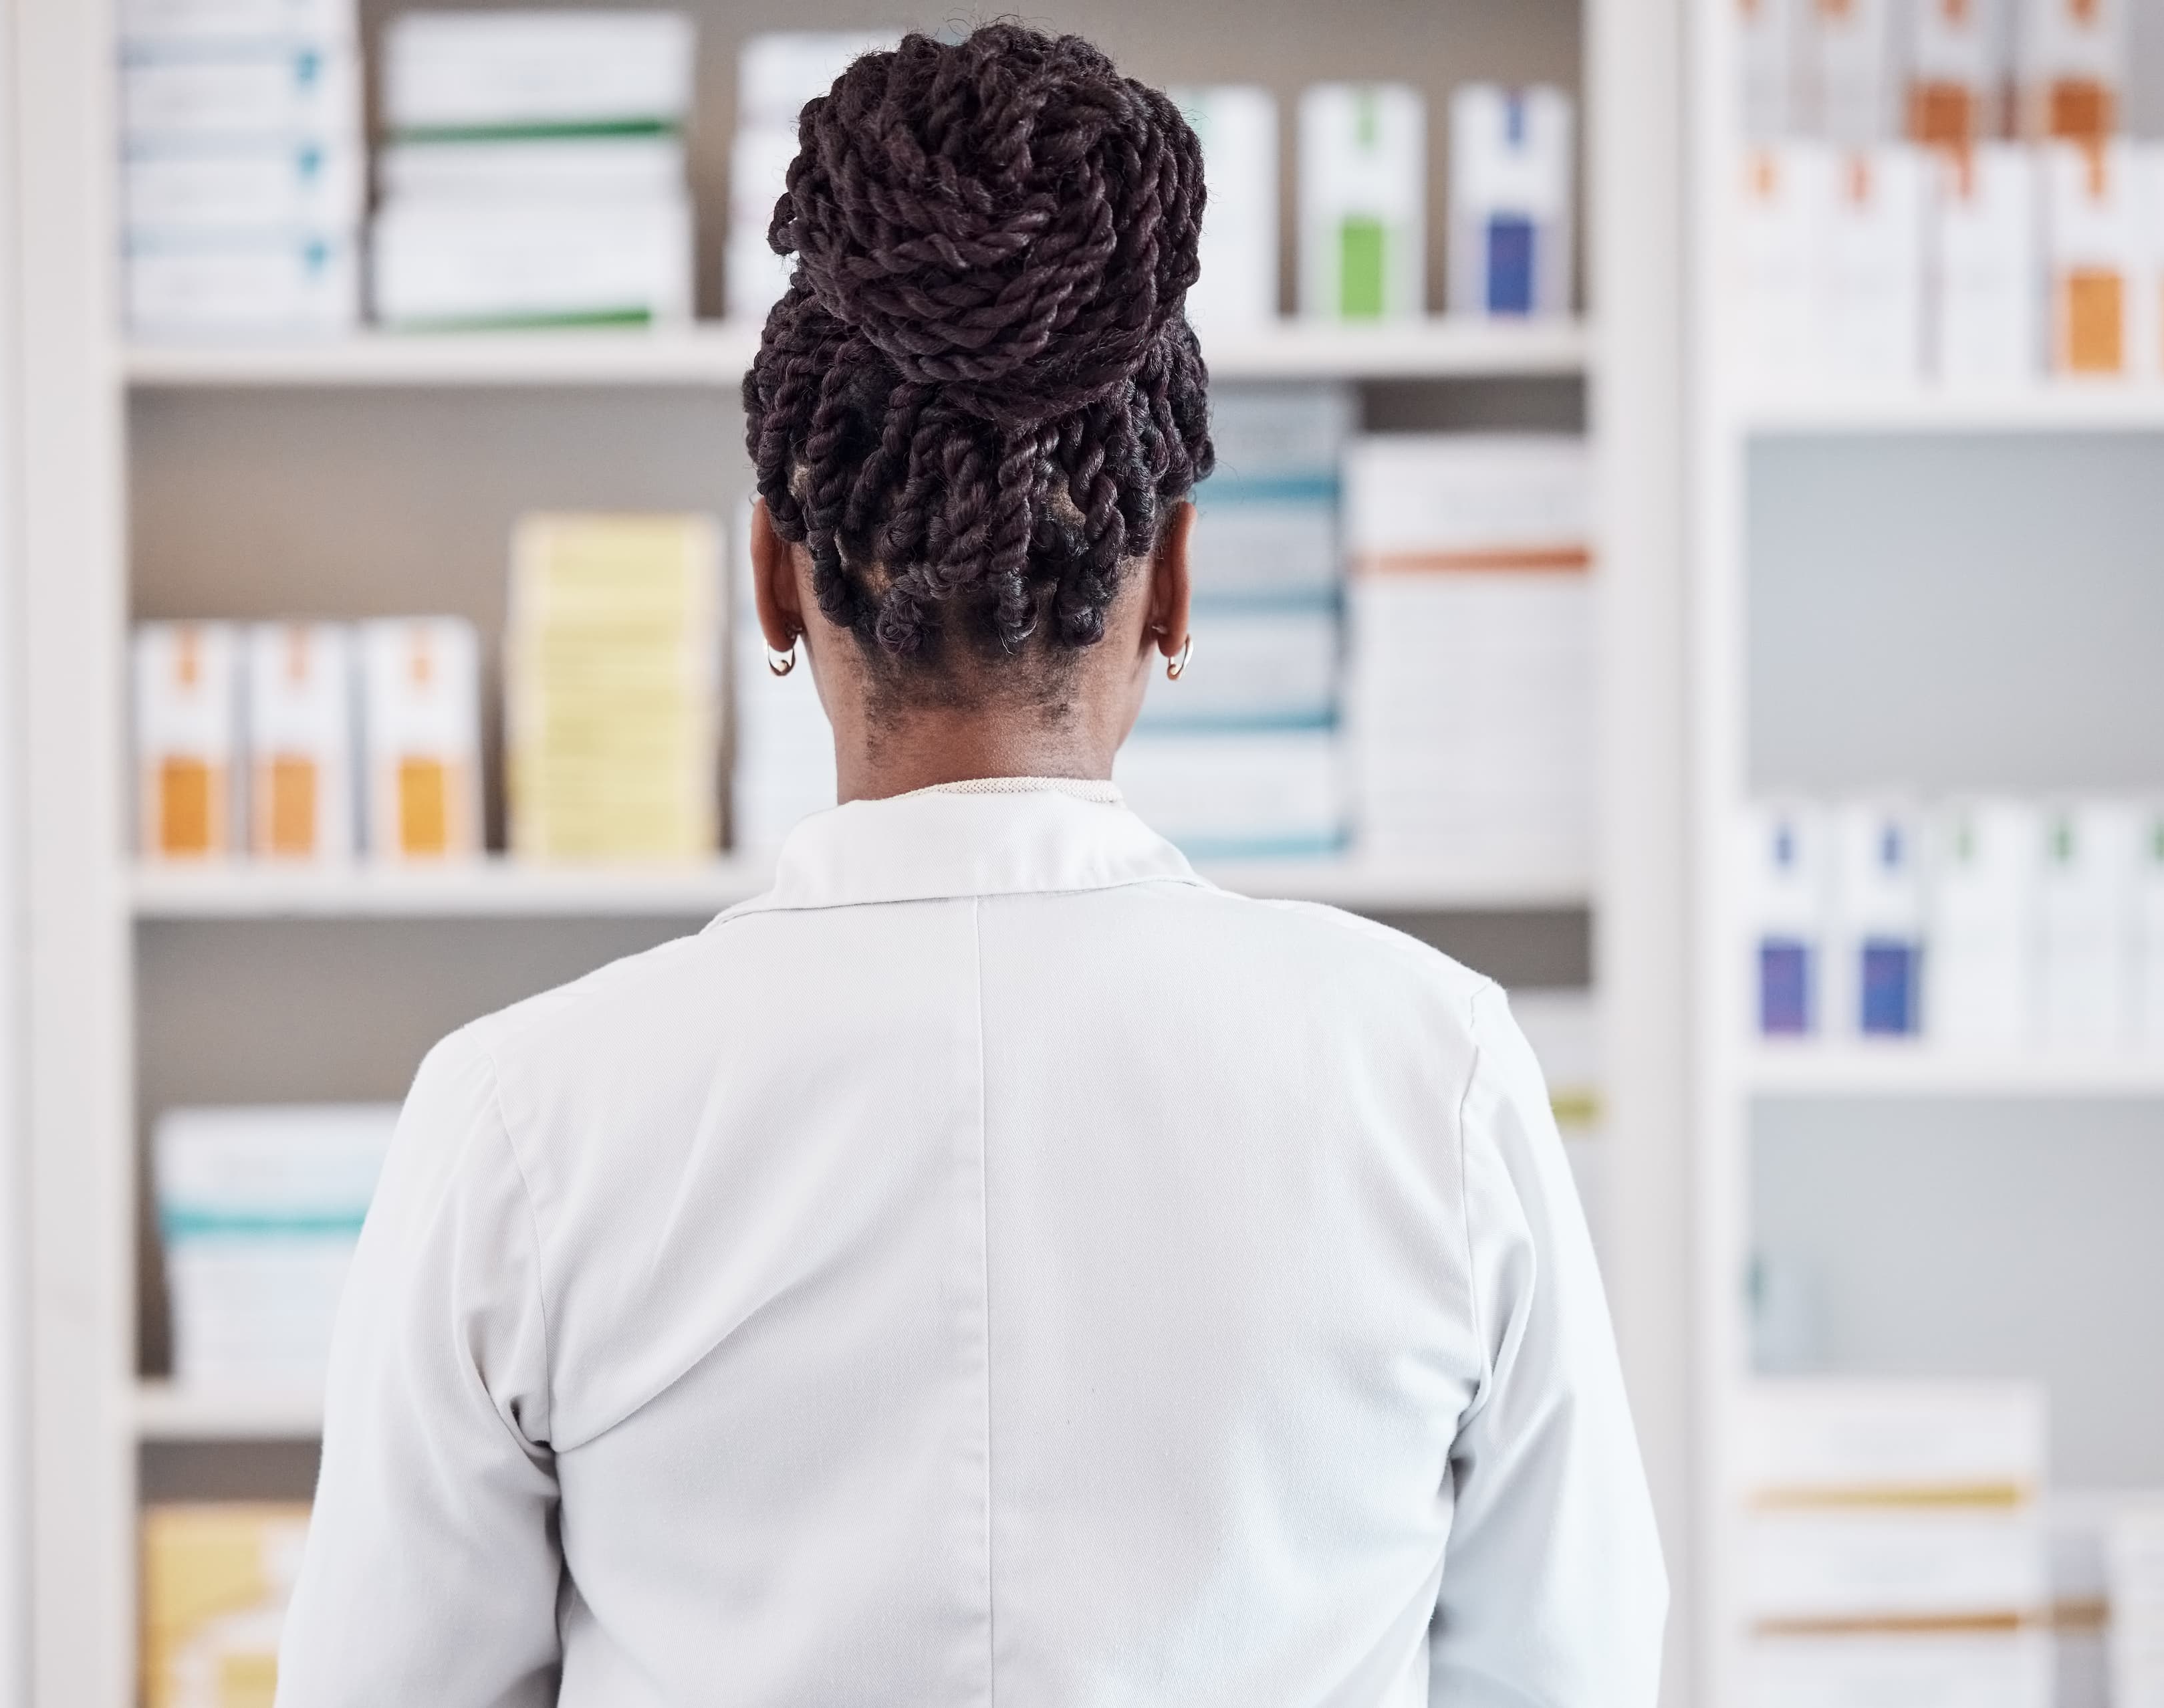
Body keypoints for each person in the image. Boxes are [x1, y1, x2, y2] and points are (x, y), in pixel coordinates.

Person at [275, 24, 1665, 1707]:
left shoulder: (519, 1120)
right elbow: (1566, 1669)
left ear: (776, 580)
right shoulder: (1434, 1079)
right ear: (1173, 588)